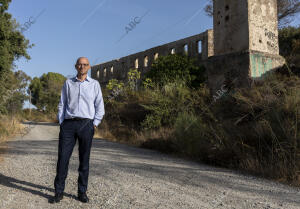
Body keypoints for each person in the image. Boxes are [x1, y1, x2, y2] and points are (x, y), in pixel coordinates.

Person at [52, 57, 105, 203]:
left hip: (87, 125)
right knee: (62, 159)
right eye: (80, 64)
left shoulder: (95, 84)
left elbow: (99, 106)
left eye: (85, 65)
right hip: (68, 125)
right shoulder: (68, 83)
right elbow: (62, 104)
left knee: (84, 160)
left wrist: (94, 124)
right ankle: (58, 192)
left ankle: (82, 192)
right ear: (76, 66)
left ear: (89, 67)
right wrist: (62, 123)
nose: (82, 67)